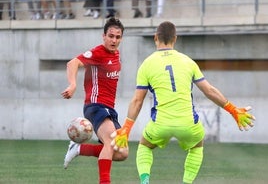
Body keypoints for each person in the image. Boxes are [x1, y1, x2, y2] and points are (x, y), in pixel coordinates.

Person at [111, 21, 255, 184]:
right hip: (188, 124)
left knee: (145, 146)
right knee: (196, 146)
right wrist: (233, 110)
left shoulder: (147, 64)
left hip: (160, 124)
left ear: (155, 38)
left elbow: (137, 100)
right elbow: (209, 91)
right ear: (175, 39)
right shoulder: (188, 61)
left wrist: (126, 129)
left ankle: (145, 182)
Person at [62, 17, 128, 184]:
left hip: (110, 110)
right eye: (111, 36)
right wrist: (73, 84)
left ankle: (79, 148)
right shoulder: (98, 52)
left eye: (118, 37)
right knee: (110, 142)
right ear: (103, 36)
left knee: (122, 153)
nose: (114, 40)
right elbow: (73, 63)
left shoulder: (116, 54)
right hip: (96, 106)